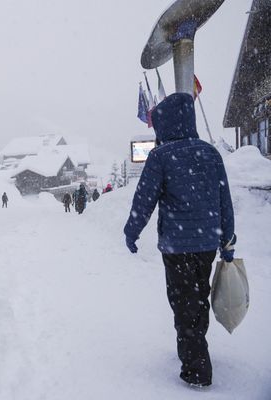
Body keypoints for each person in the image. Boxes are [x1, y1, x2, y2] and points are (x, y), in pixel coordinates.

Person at [123, 93, 235, 388]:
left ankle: (197, 368)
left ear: (165, 123)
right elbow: (224, 199)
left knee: (183, 301)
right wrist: (228, 238)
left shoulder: (161, 156)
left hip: (177, 245)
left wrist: (131, 232)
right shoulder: (210, 153)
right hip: (206, 243)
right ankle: (195, 344)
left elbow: (144, 199)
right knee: (197, 297)